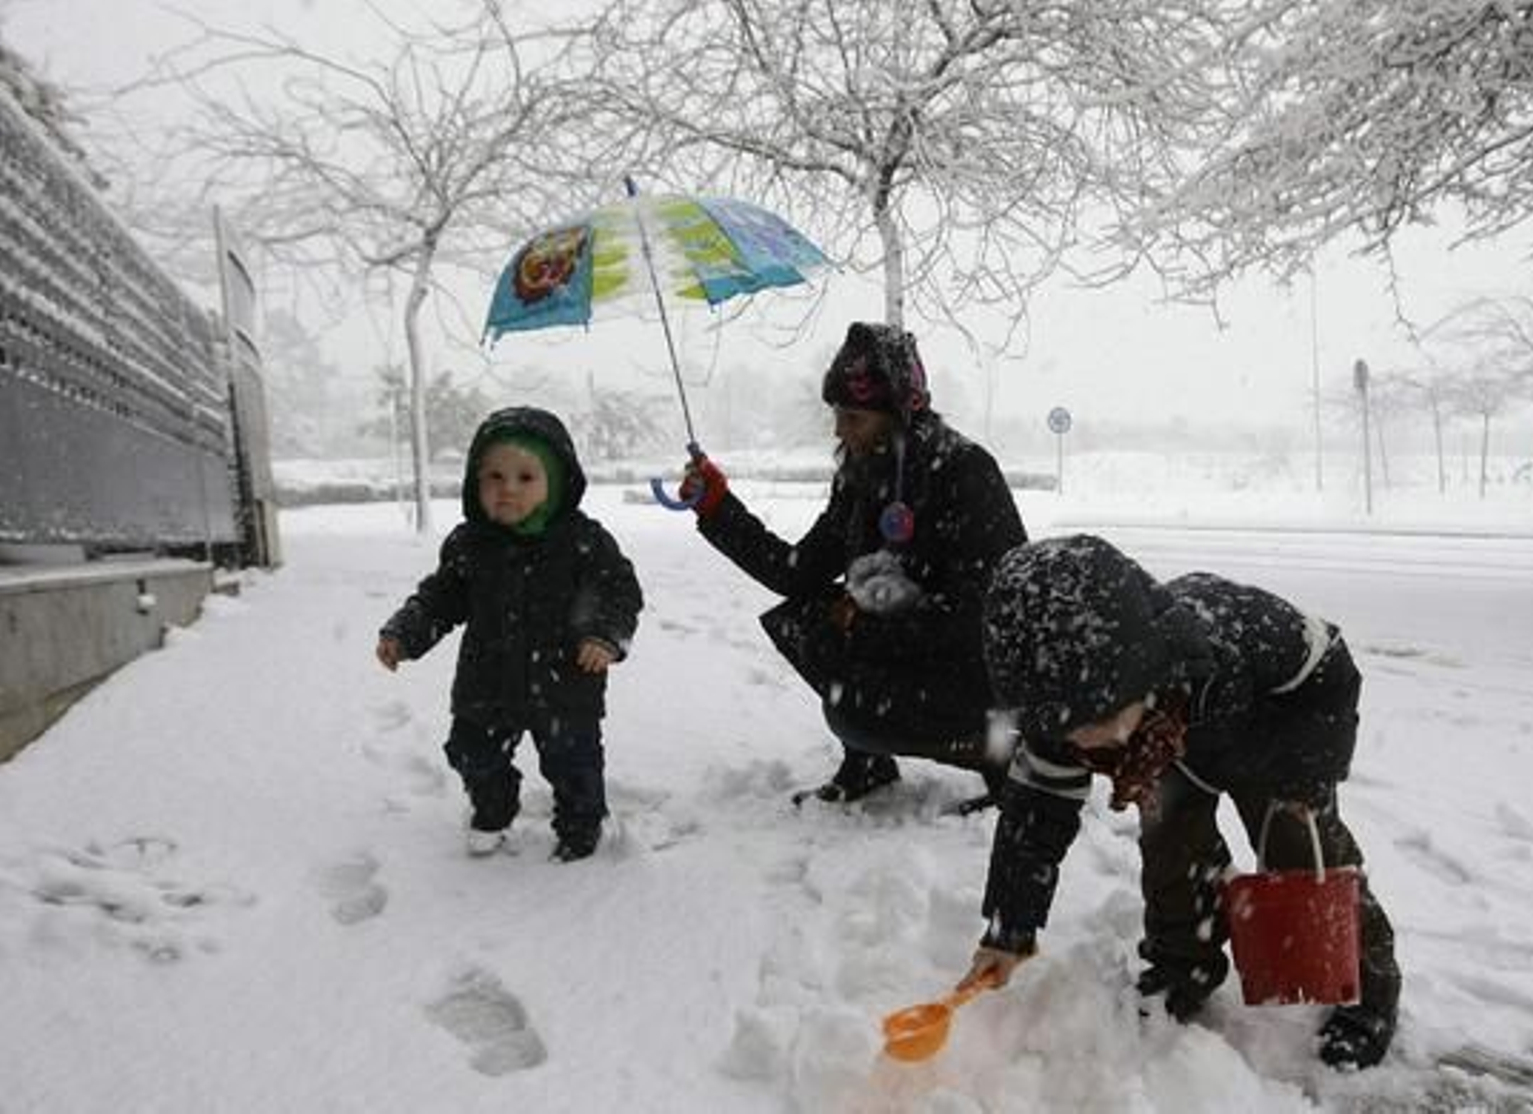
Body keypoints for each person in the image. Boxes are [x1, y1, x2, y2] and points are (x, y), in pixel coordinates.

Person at [962, 534, 1402, 1070]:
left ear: (1133, 677)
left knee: (1302, 856)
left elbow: (1330, 669)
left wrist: (1306, 777)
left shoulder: (1234, 644)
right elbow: (1034, 821)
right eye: (1064, 730)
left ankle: (1368, 994)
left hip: (1278, 729)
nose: (1081, 744)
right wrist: (1010, 931)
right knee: (1172, 850)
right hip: (1173, 745)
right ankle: (1182, 966)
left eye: (1093, 723)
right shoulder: (1066, 706)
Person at [678, 321, 1028, 809]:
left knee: (854, 700)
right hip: (910, 648)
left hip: (979, 672)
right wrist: (718, 508)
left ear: (902, 413)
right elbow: (799, 572)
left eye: (854, 417)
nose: (839, 430)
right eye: (837, 414)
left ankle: (1003, 759)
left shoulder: (965, 472)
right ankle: (866, 763)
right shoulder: (862, 477)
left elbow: (987, 613)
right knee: (804, 621)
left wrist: (864, 629)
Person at [376, 406, 643, 861]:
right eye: (493, 477)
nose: (507, 489)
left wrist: (602, 636)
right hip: (488, 678)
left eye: (525, 477)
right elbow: (441, 597)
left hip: (566, 681)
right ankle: (494, 808)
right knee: (472, 752)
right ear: (474, 483)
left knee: (573, 763)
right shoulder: (469, 544)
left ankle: (580, 825)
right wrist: (406, 632)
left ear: (555, 482)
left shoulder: (583, 541)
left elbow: (619, 591)